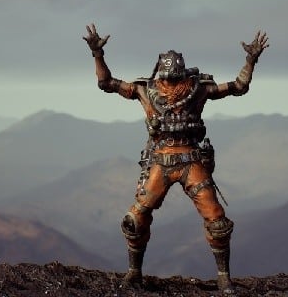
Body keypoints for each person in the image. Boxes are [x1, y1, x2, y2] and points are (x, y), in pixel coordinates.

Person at [82, 23, 269, 293]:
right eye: (168, 79)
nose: (171, 85)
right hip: (159, 161)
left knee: (217, 220)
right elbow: (106, 83)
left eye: (175, 79)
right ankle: (134, 272)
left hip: (191, 160)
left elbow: (239, 86)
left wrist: (251, 60)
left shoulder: (199, 88)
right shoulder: (145, 89)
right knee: (135, 220)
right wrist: (97, 54)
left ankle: (223, 277)